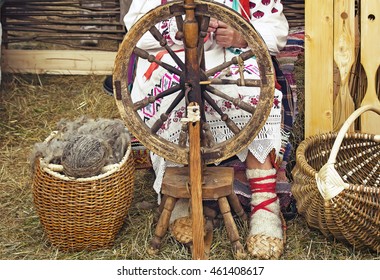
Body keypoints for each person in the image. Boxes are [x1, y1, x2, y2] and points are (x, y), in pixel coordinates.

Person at [123, 0, 292, 260]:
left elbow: (276, 32)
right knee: (168, 94)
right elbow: (136, 29)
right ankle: (181, 193)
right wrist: (177, 28)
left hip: (230, 58)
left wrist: (241, 34)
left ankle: (264, 201)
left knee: (254, 89)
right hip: (176, 59)